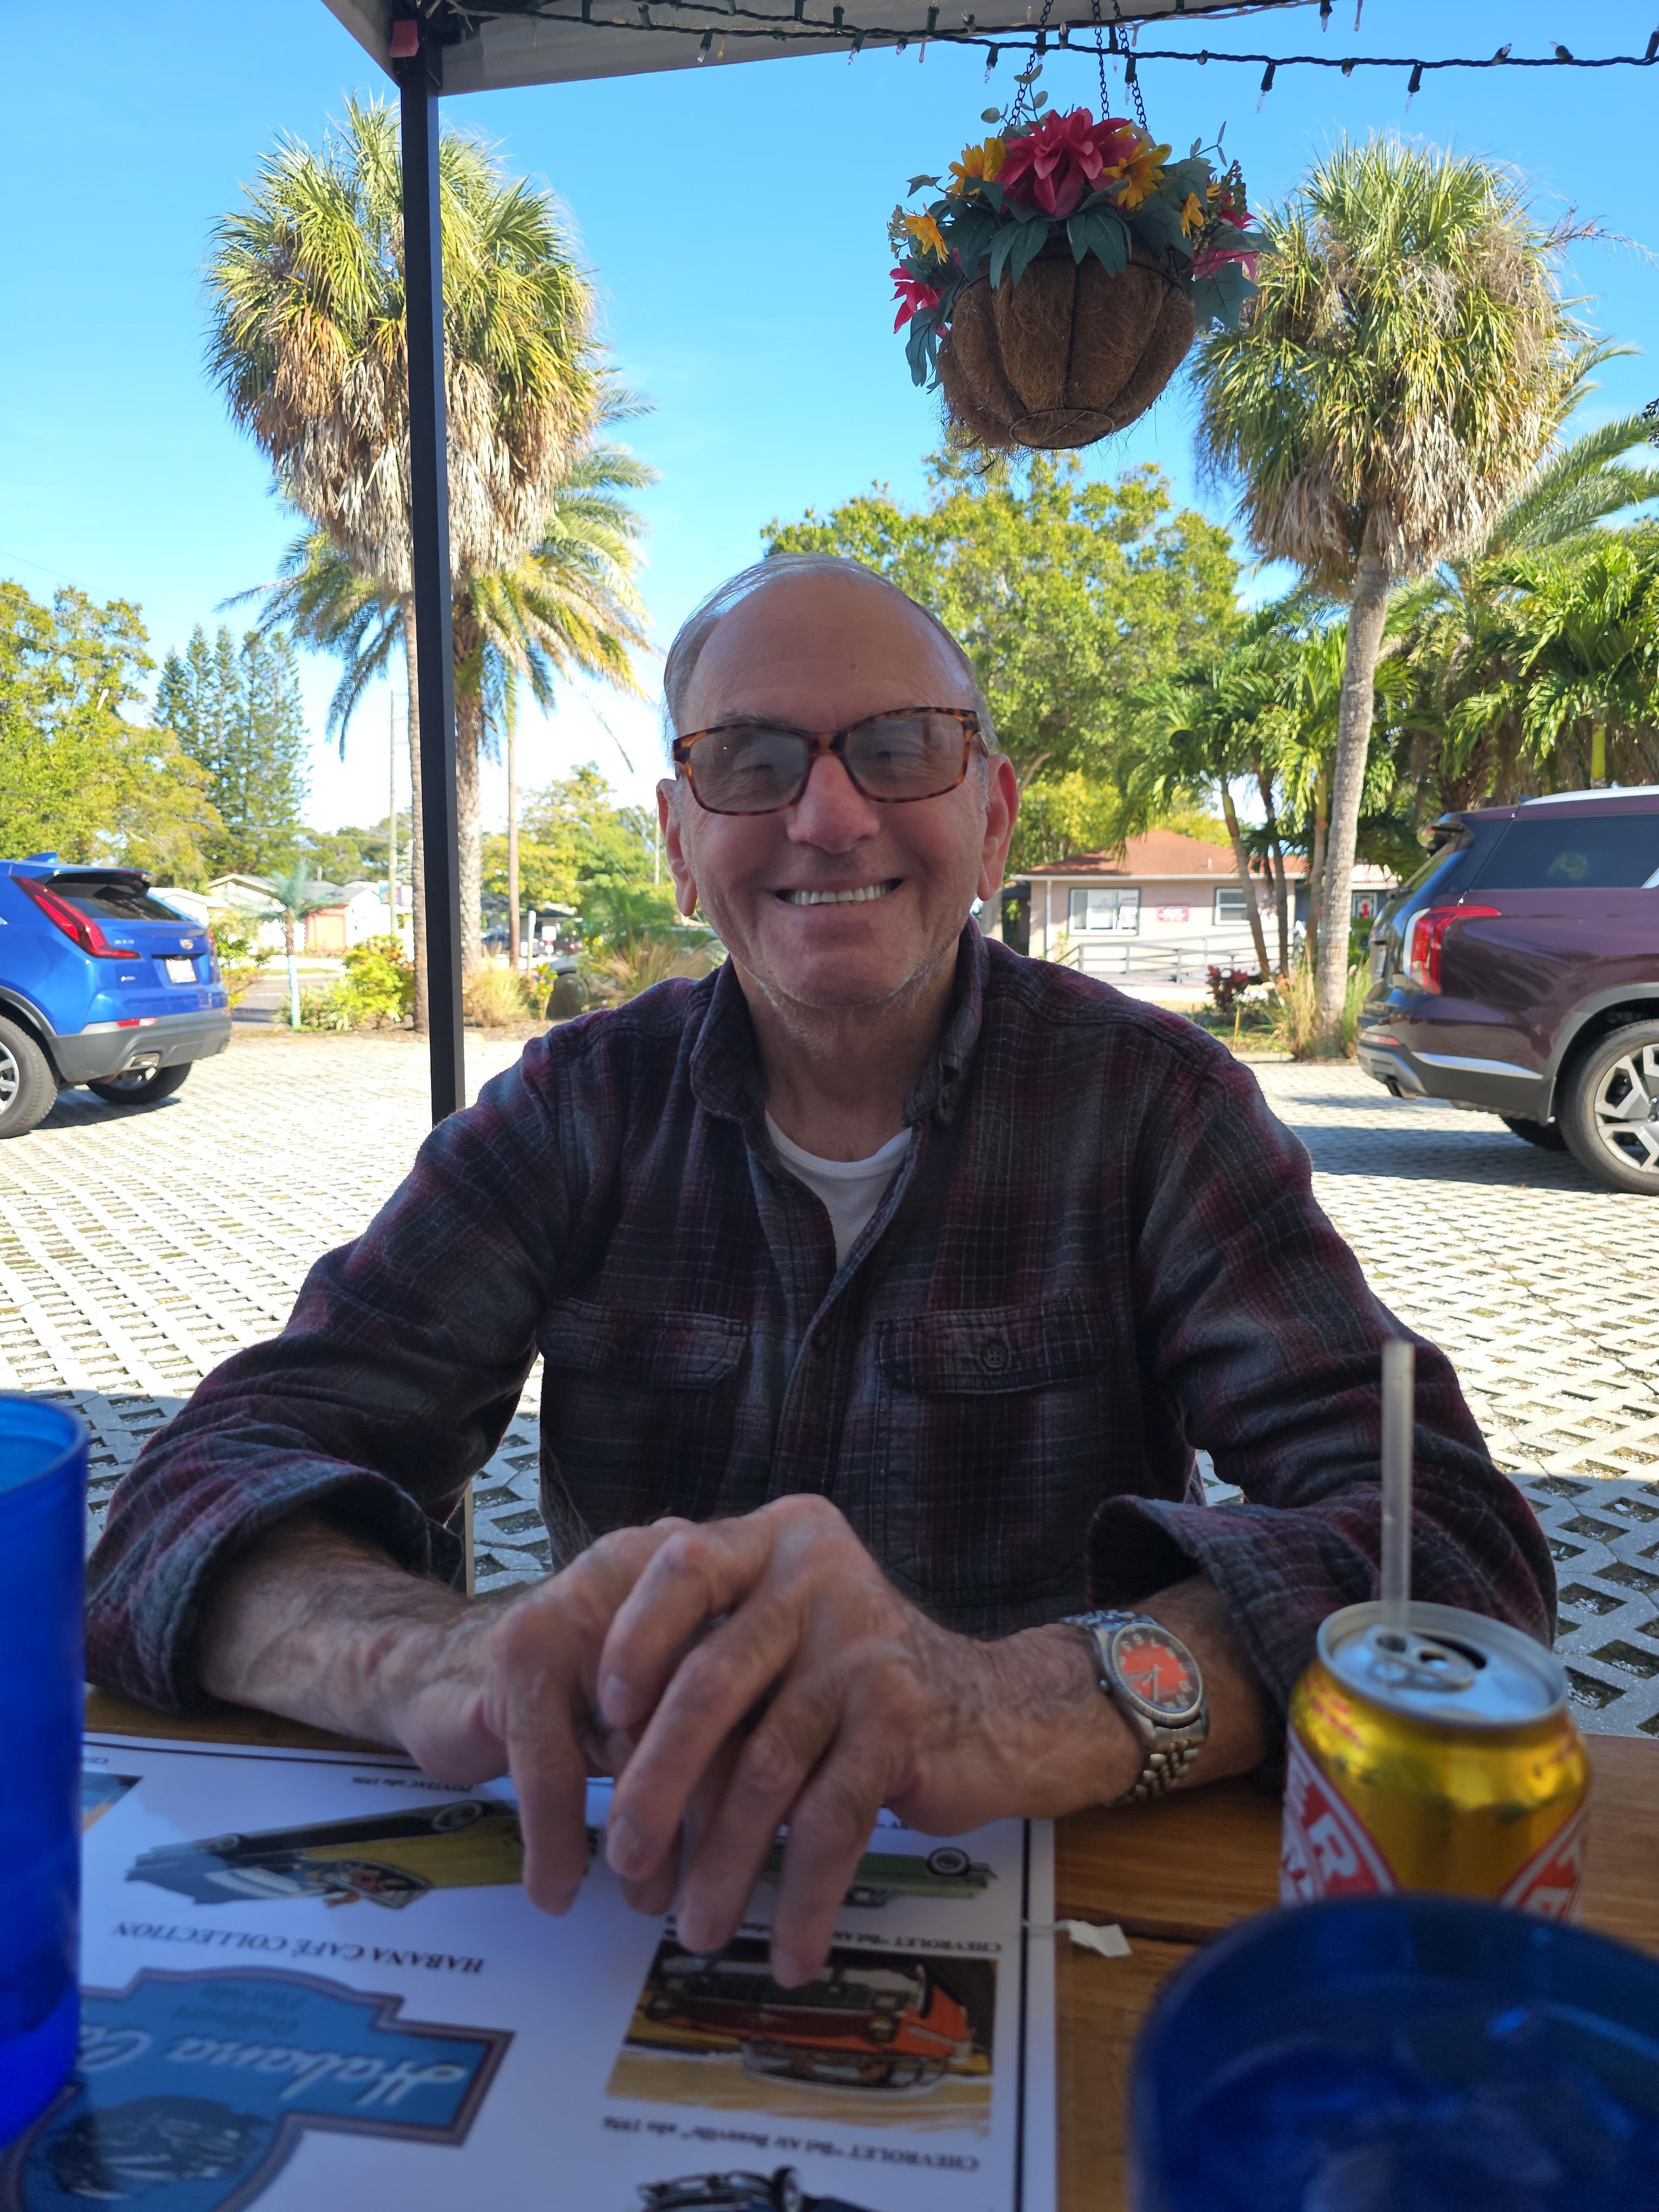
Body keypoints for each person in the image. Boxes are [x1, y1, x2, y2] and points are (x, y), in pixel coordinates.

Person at [87, 555, 1553, 1989]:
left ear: (991, 818)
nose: (828, 815)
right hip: (604, 1916)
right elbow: (188, 1497)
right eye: (752, 760)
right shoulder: (572, 1112)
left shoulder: (1153, 1108)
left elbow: (1452, 1554)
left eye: (899, 751)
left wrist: (1008, 1702)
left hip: (1071, 1923)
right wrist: (434, 1659)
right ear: (677, 838)